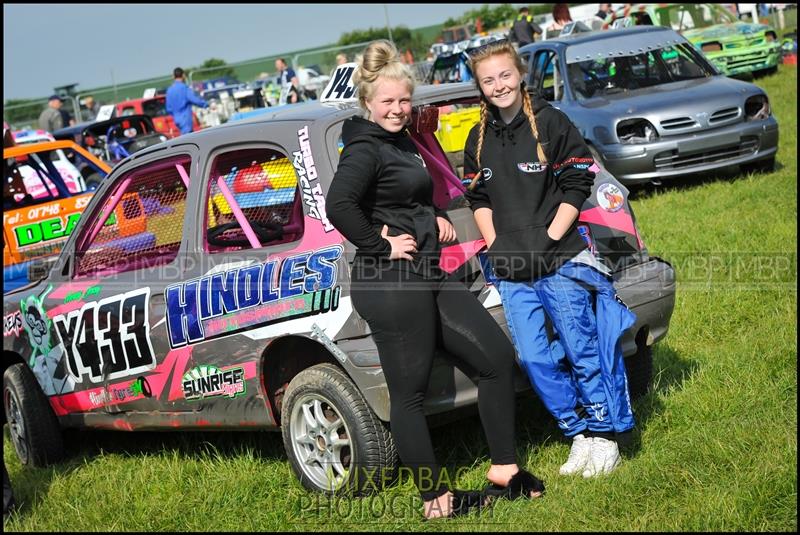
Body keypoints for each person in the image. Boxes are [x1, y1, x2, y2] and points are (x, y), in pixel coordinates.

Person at [326, 39, 544, 520]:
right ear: (367, 103)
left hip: (424, 270)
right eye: (388, 101)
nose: (398, 109)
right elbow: (339, 204)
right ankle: (433, 497)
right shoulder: (363, 146)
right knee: (410, 395)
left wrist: (427, 219)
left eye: (404, 100)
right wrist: (381, 244)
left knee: (494, 357)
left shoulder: (397, 139)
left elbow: (397, 199)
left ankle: (504, 469)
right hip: (388, 282)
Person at [464, 40, 637, 480]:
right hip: (513, 270)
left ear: (519, 73)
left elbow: (578, 185)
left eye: (504, 75)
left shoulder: (551, 121)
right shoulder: (477, 137)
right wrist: (495, 245)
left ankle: (605, 436)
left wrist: (549, 237)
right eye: (488, 80)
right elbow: (479, 198)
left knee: (581, 349)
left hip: (560, 260)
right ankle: (578, 433)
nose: (498, 85)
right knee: (534, 359)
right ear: (480, 87)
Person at [165, 67, 207, 135]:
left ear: (173, 76)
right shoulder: (184, 88)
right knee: (188, 139)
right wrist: (205, 104)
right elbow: (194, 100)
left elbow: (168, 108)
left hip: (176, 119)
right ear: (183, 75)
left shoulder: (169, 90)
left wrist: (176, 115)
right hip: (185, 119)